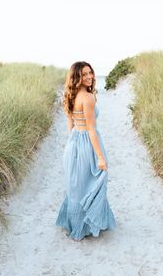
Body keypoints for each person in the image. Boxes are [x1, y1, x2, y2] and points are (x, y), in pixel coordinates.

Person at [55, 61, 116, 241]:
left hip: (73, 142)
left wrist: (73, 142)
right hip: (86, 144)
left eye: (90, 72)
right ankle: (86, 226)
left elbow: (70, 123)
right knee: (93, 181)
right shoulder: (88, 98)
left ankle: (76, 224)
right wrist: (100, 157)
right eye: (84, 74)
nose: (89, 77)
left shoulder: (71, 94)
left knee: (76, 186)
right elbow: (91, 130)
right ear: (77, 77)